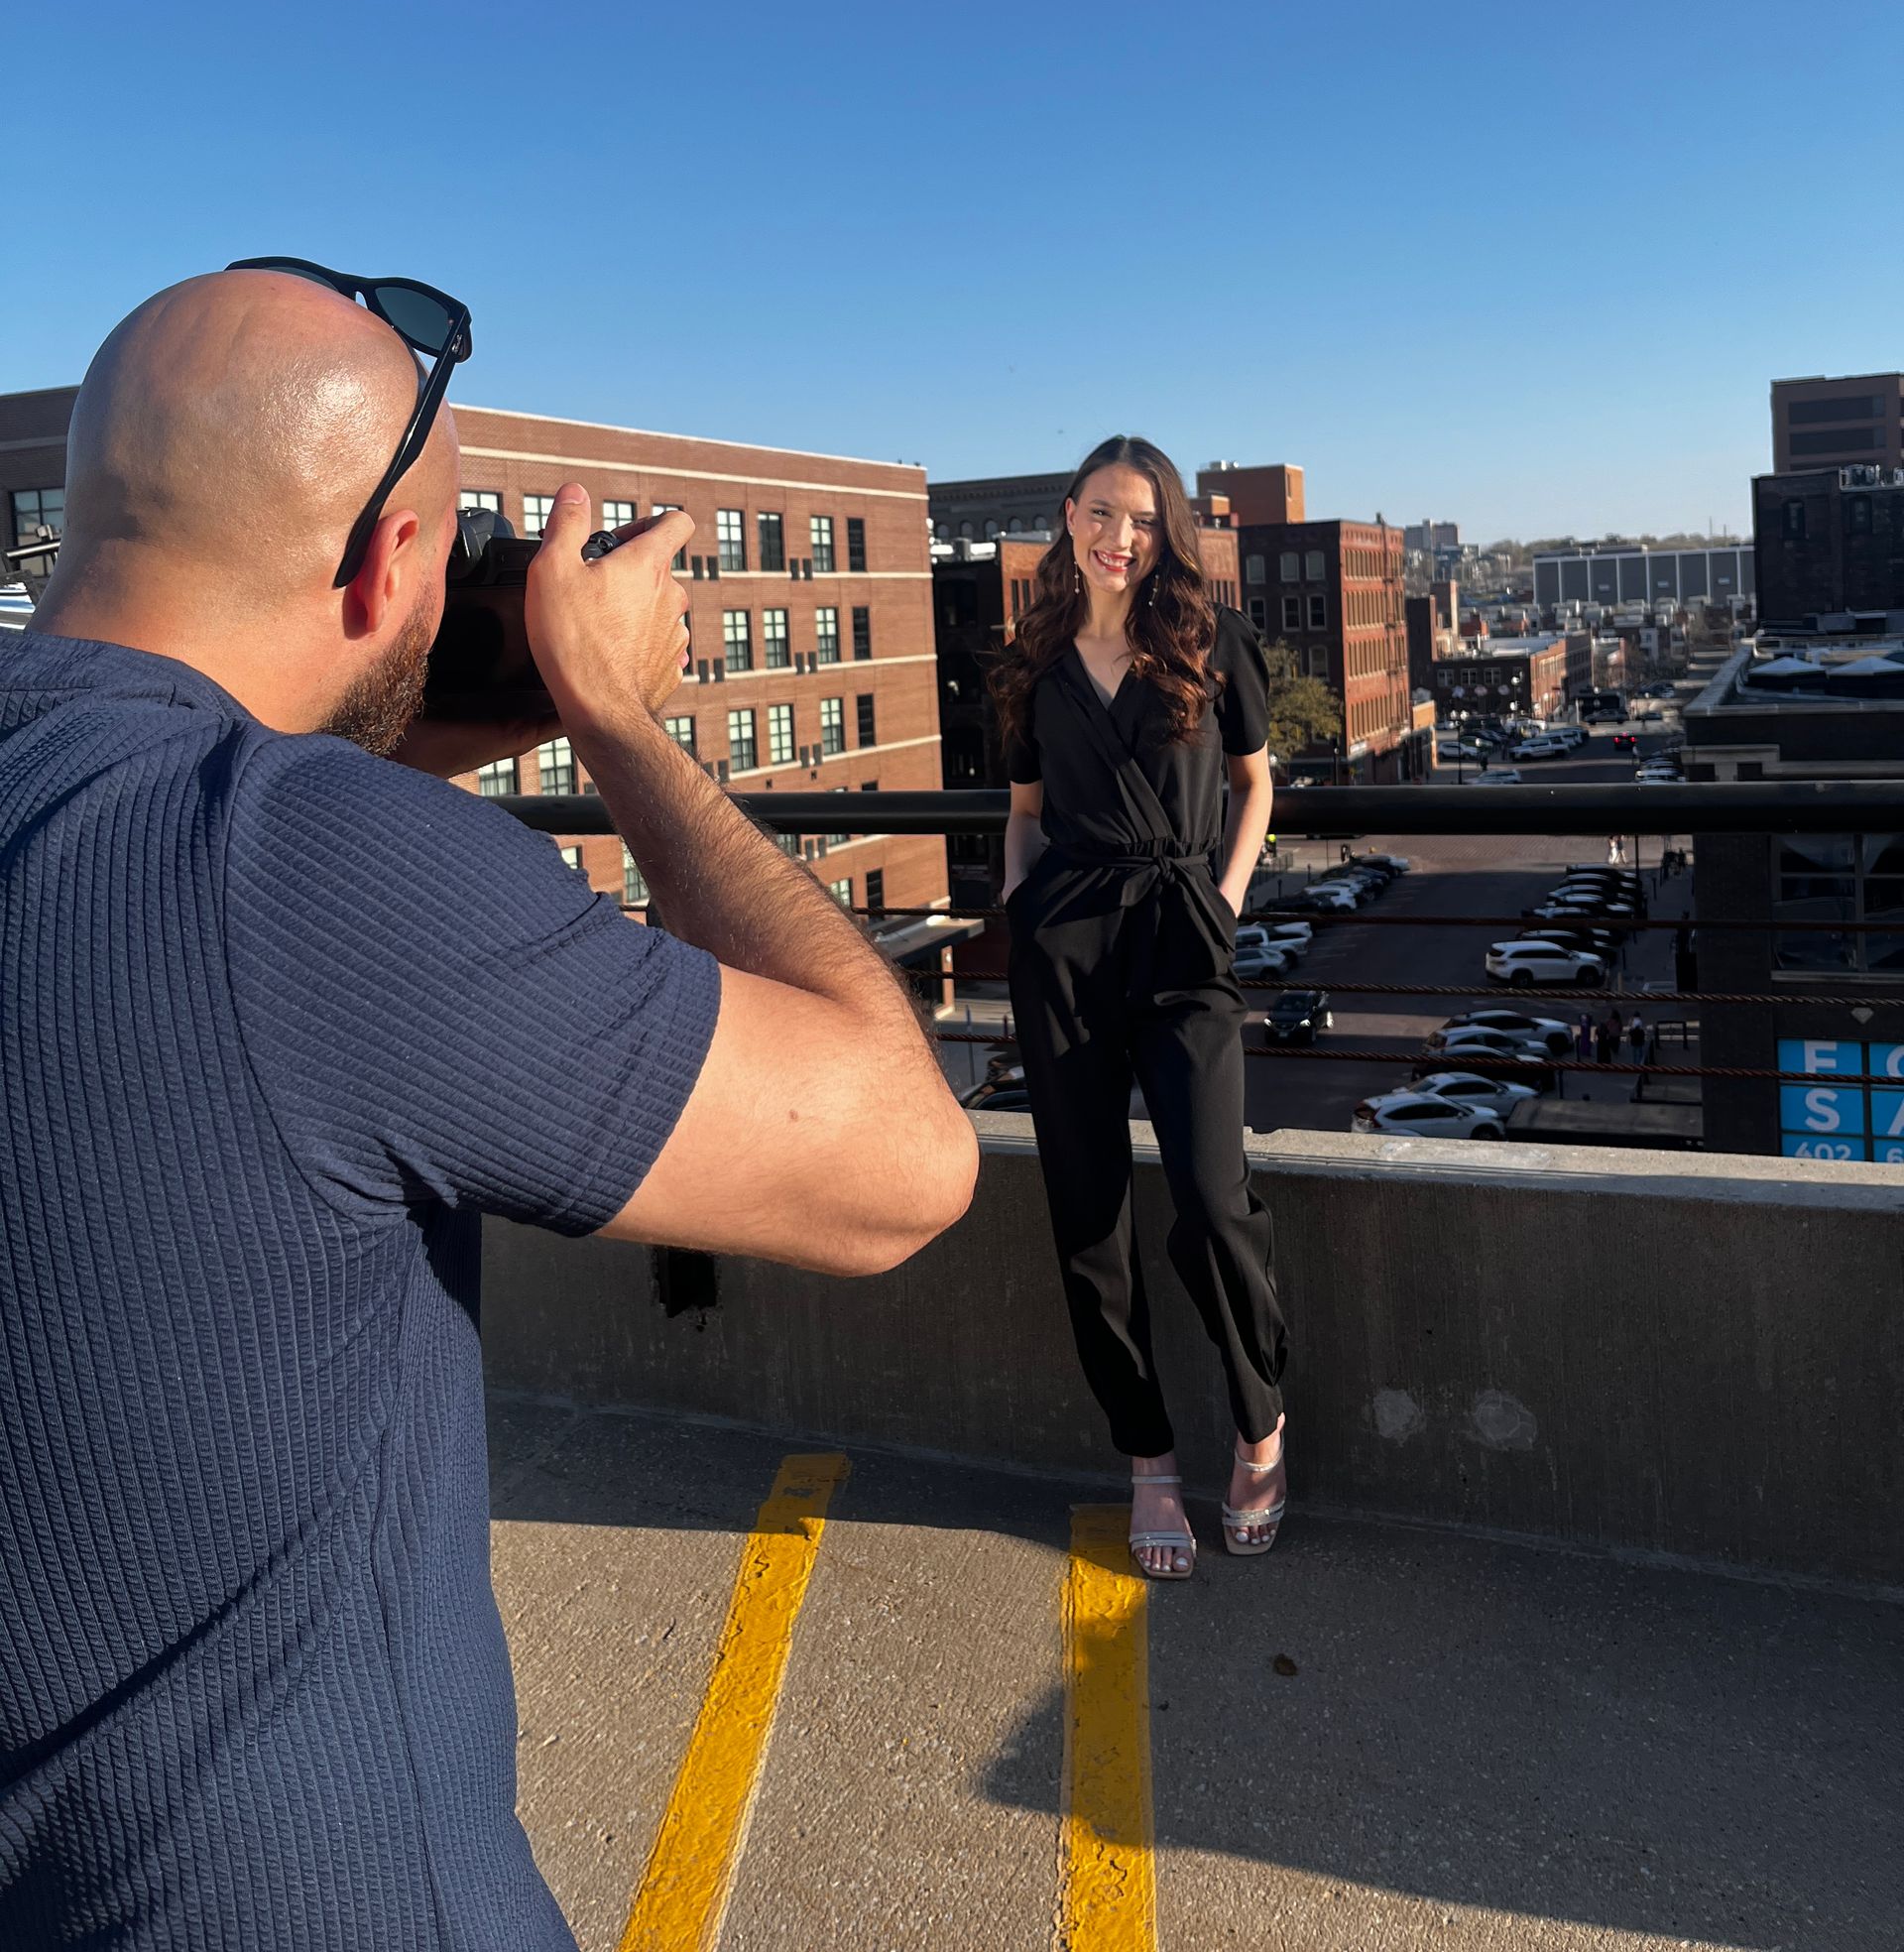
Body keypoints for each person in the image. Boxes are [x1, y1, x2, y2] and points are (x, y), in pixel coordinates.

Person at [0, 269, 977, 1949]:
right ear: (390, 569)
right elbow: (902, 1163)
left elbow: (185, 821)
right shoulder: (305, 868)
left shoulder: (129, 820)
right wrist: (607, 711)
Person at [992, 436, 1284, 1581]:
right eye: (1103, 513)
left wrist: (1225, 896)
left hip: (1180, 935)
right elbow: (1021, 807)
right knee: (1088, 1217)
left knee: (1214, 1200)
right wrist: (1022, 899)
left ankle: (1260, 1420)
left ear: (1169, 534)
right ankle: (1149, 1458)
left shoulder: (1210, 643)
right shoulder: (1032, 656)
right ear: (1068, 518)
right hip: (1065, 947)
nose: (1122, 537)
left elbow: (1258, 780)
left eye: (1145, 520)